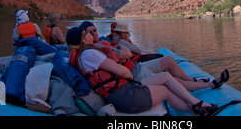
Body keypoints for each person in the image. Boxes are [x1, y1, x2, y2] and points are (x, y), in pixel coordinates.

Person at [66, 26, 218, 115]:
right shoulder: (89, 54)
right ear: (83, 40)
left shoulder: (84, 54)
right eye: (86, 33)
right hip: (124, 95)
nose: (89, 34)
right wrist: (127, 73)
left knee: (165, 76)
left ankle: (196, 103)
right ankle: (196, 110)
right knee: (166, 91)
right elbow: (123, 72)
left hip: (123, 88)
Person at [84, 21, 230, 91]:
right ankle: (206, 84)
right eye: (90, 33)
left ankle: (205, 83)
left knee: (171, 76)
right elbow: (134, 53)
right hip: (134, 71)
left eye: (95, 30)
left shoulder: (103, 43)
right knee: (169, 69)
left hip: (134, 68)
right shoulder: (116, 42)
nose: (94, 34)